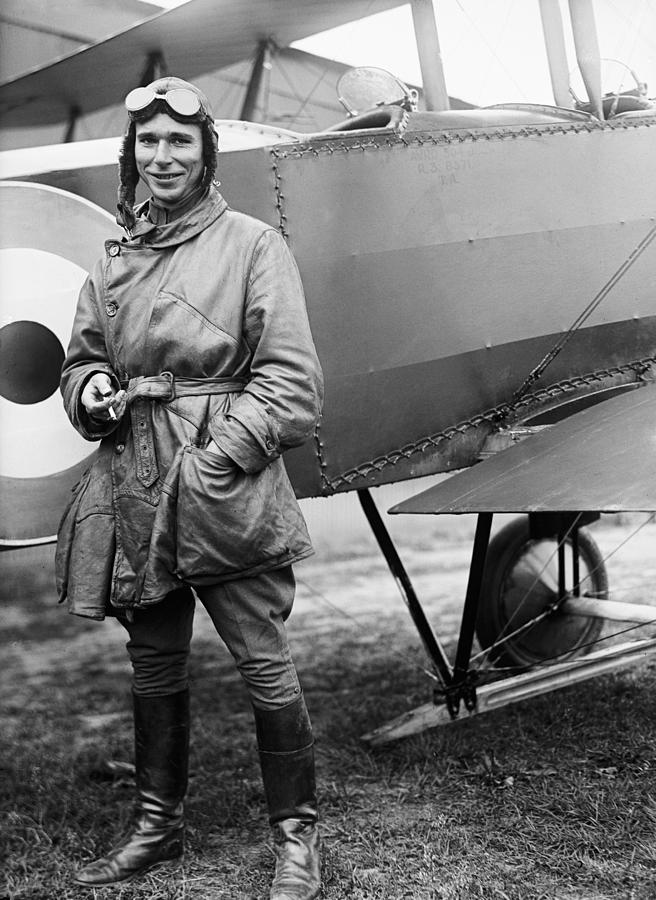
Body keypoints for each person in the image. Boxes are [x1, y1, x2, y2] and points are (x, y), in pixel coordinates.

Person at [55, 76, 324, 900]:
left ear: (206, 152)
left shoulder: (252, 245)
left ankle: (297, 841)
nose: (162, 156)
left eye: (180, 141)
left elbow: (293, 384)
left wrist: (213, 464)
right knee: (153, 664)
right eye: (149, 142)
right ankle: (155, 827)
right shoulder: (113, 260)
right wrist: (92, 390)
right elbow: (81, 359)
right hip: (133, 474)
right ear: (131, 155)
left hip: (222, 484)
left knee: (264, 664)